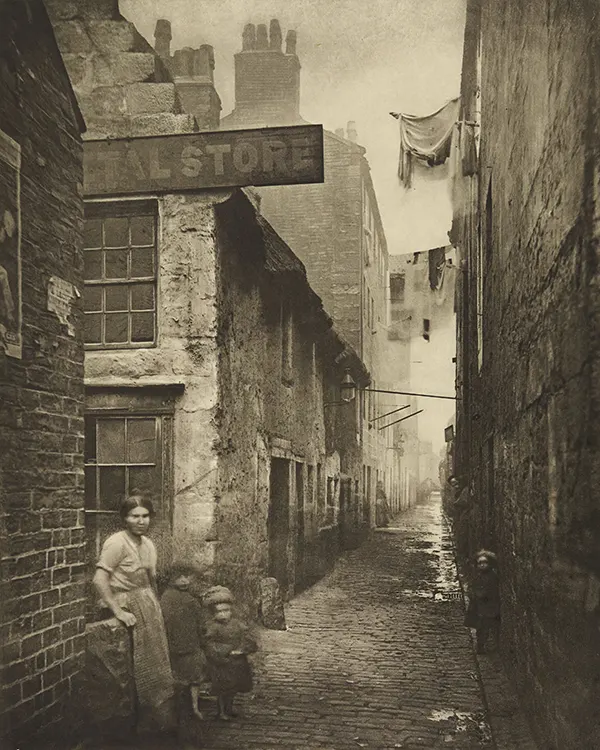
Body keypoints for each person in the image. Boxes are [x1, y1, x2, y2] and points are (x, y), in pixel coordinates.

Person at [93, 495, 176, 737]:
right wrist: (118, 611)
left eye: (145, 516)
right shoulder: (116, 543)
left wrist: (156, 608)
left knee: (155, 664)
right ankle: (125, 724)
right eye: (134, 516)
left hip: (147, 603)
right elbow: (99, 580)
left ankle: (154, 721)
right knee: (128, 667)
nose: (141, 521)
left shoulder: (149, 545)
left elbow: (151, 580)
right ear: (125, 519)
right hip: (123, 602)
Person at [160, 564, 213, 745]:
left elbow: (201, 623)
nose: (184, 581)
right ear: (171, 579)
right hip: (178, 644)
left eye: (186, 577)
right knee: (186, 677)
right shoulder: (168, 598)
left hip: (189, 644)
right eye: (179, 577)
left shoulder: (188, 599)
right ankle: (187, 707)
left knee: (192, 676)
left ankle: (194, 706)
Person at [202, 586, 258, 721]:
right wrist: (222, 652)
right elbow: (209, 644)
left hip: (236, 661)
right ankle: (221, 711)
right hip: (222, 662)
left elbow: (247, 636)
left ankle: (229, 708)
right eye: (219, 612)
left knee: (233, 687)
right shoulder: (213, 626)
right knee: (222, 688)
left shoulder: (236, 623)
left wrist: (243, 648)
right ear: (213, 613)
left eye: (226, 611)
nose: (223, 614)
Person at [464, 549, 501, 654]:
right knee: (480, 628)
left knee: (489, 626)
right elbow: (471, 587)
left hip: (489, 606)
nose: (483, 565)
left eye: (485, 563)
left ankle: (491, 645)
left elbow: (491, 591)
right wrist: (472, 594)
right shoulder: (477, 576)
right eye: (480, 563)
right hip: (478, 606)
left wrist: (480, 594)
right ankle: (480, 646)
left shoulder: (492, 576)